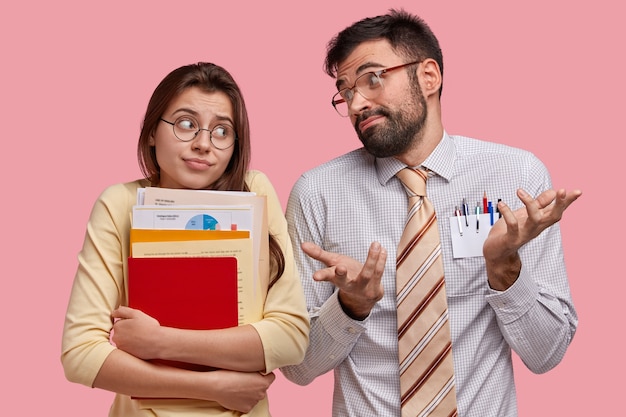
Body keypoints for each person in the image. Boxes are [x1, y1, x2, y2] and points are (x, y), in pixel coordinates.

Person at [280, 9, 581, 417]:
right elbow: (297, 367)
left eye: (372, 80)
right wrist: (350, 306)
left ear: (429, 77)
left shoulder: (516, 175)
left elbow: (547, 354)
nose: (356, 104)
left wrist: (505, 269)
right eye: (345, 91)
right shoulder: (317, 192)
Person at [61, 62, 310, 416]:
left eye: (222, 131)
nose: (203, 144)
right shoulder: (118, 204)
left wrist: (161, 341)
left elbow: (291, 338)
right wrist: (212, 386)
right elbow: (81, 354)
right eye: (186, 124)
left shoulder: (255, 191)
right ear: (151, 131)